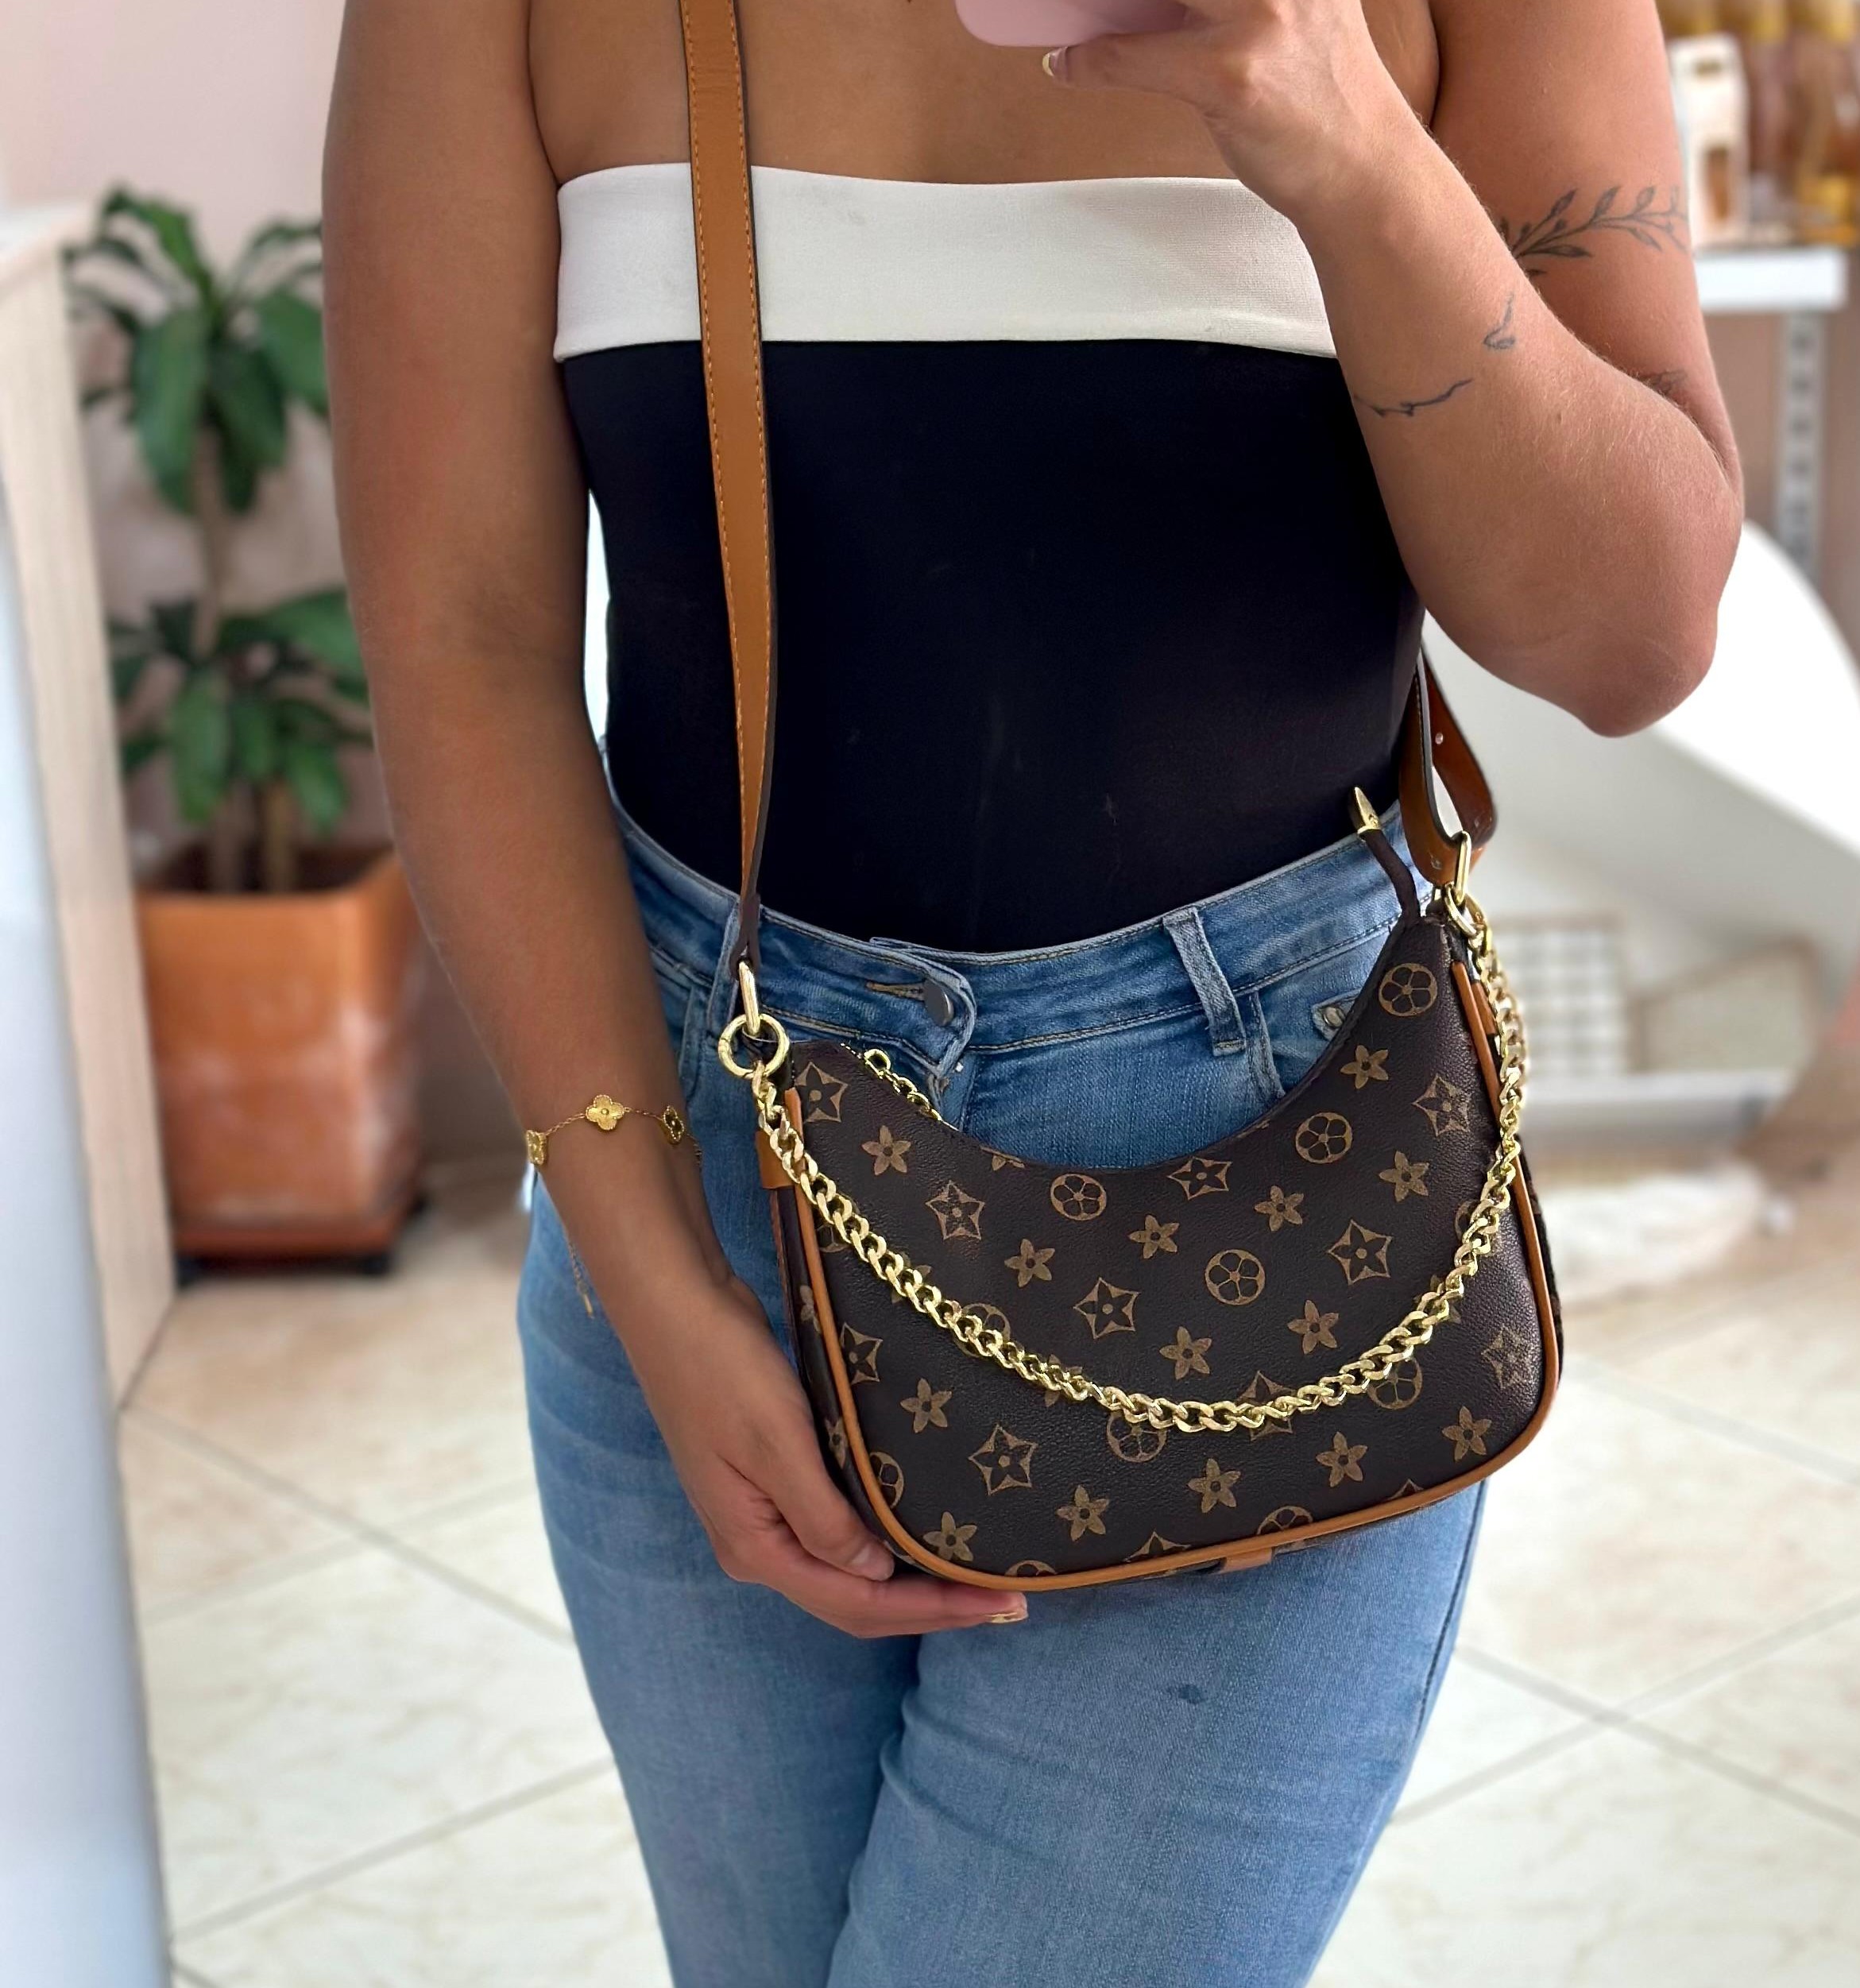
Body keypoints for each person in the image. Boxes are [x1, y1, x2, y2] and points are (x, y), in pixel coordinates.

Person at [323, 2, 1739, 1981]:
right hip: (700, 1179)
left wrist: (1342, 136)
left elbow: (1631, 635)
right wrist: (649, 1278)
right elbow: (462, 635)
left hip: (1277, 1210)